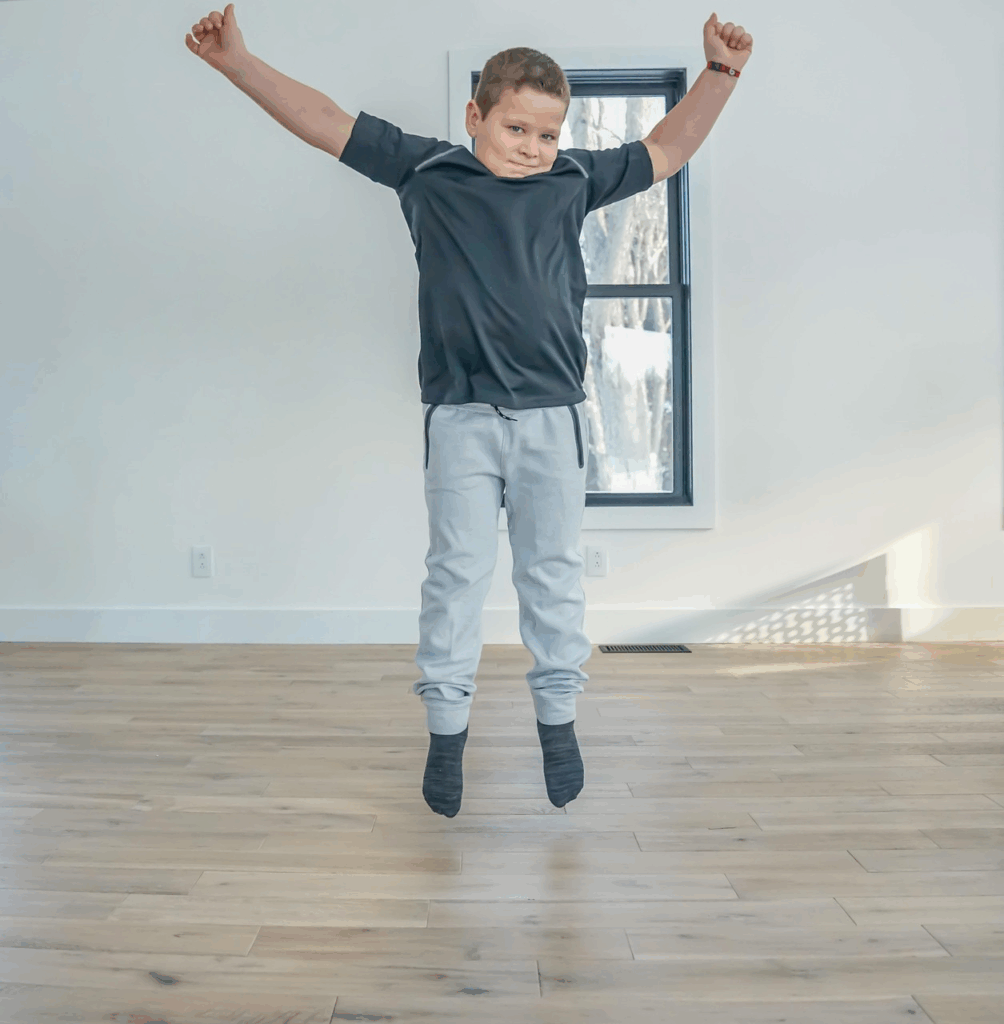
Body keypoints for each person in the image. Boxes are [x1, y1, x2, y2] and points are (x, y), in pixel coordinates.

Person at [185, 4, 750, 819]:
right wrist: (238, 62)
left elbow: (672, 147)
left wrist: (720, 73)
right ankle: (446, 732)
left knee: (550, 578)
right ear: (475, 116)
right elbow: (324, 123)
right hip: (461, 418)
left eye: (547, 135)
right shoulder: (428, 172)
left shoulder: (575, 180)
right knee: (455, 578)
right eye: (517, 129)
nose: (532, 148)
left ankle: (558, 723)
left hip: (553, 419)